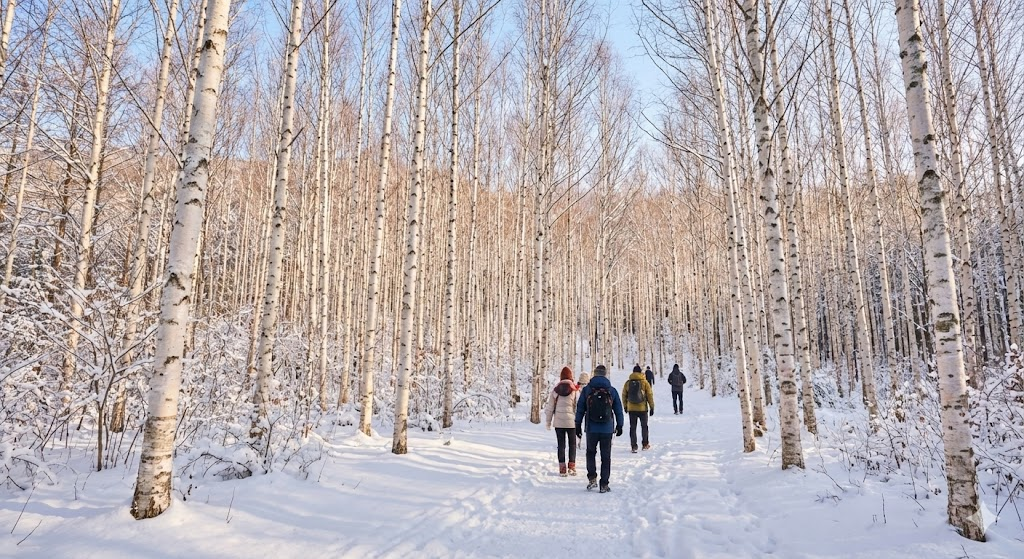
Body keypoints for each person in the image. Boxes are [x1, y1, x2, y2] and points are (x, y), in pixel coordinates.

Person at [575, 364, 624, 493]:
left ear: (595, 374)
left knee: (590, 453)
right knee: (606, 456)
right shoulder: (611, 390)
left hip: (591, 428)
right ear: (605, 374)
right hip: (607, 429)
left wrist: (577, 425)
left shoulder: (587, 390)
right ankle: (604, 484)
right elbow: (618, 409)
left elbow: (580, 409)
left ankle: (592, 479)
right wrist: (620, 425)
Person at [544, 366, 579, 476]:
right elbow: (577, 407)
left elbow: (550, 408)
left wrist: (548, 422)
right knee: (572, 444)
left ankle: (562, 468)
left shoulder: (555, 390)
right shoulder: (574, 390)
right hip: (571, 422)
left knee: (561, 444)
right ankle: (572, 467)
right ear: (571, 377)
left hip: (558, 422)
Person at [623, 365, 655, 452]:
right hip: (642, 408)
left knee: (632, 427)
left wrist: (625, 406)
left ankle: (634, 446)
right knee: (644, 426)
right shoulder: (644, 382)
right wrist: (652, 407)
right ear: (641, 372)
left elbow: (624, 395)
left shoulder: (628, 383)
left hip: (631, 408)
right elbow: (649, 395)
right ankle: (645, 444)